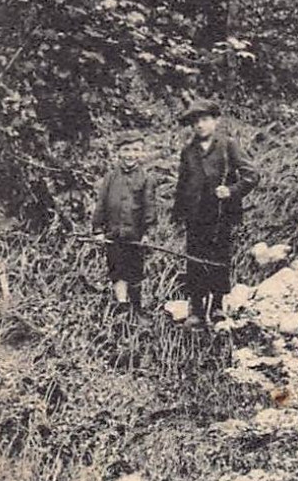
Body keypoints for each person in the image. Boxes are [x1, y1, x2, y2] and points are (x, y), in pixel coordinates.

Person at [171, 100, 259, 326]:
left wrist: (231, 191)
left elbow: (251, 175)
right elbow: (183, 183)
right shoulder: (188, 151)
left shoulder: (228, 145)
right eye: (195, 122)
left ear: (215, 120)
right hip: (195, 215)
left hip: (221, 213)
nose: (199, 125)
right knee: (195, 258)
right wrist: (178, 214)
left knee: (219, 257)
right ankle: (197, 309)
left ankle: (218, 306)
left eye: (204, 120)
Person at [92, 135, 156, 313]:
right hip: (113, 234)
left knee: (134, 269)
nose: (130, 154)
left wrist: (147, 233)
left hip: (134, 236)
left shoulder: (146, 178)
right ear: (119, 152)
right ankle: (121, 304)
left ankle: (137, 306)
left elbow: (149, 207)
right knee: (116, 268)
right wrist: (98, 230)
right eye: (126, 150)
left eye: (135, 150)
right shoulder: (110, 177)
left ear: (142, 153)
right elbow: (101, 205)